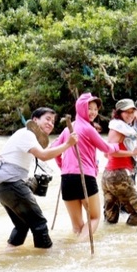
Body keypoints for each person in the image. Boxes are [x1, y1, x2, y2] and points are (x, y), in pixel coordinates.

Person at [0, 107, 78, 248]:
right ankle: (45, 263)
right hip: (13, 185)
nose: (50, 123)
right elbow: (44, 156)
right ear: (35, 120)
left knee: (22, 226)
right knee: (39, 225)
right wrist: (68, 144)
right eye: (47, 119)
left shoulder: (26, 135)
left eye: (53, 121)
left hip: (3, 188)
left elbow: (44, 154)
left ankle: (8, 255)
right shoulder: (27, 135)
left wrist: (62, 142)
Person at [51, 92, 121, 239]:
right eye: (89, 108)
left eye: (95, 109)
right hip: (85, 177)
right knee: (95, 218)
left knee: (77, 227)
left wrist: (63, 166)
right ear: (81, 108)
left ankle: (77, 251)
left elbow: (54, 151)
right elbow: (106, 148)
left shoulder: (66, 130)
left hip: (67, 178)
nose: (93, 112)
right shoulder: (89, 129)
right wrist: (116, 146)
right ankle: (80, 248)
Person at [102, 99, 137, 226]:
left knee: (111, 214)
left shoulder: (116, 127)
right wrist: (132, 153)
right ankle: (130, 240)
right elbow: (111, 152)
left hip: (108, 175)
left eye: (132, 112)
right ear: (119, 113)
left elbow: (106, 152)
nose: (130, 115)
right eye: (126, 112)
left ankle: (112, 239)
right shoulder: (118, 129)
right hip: (119, 175)